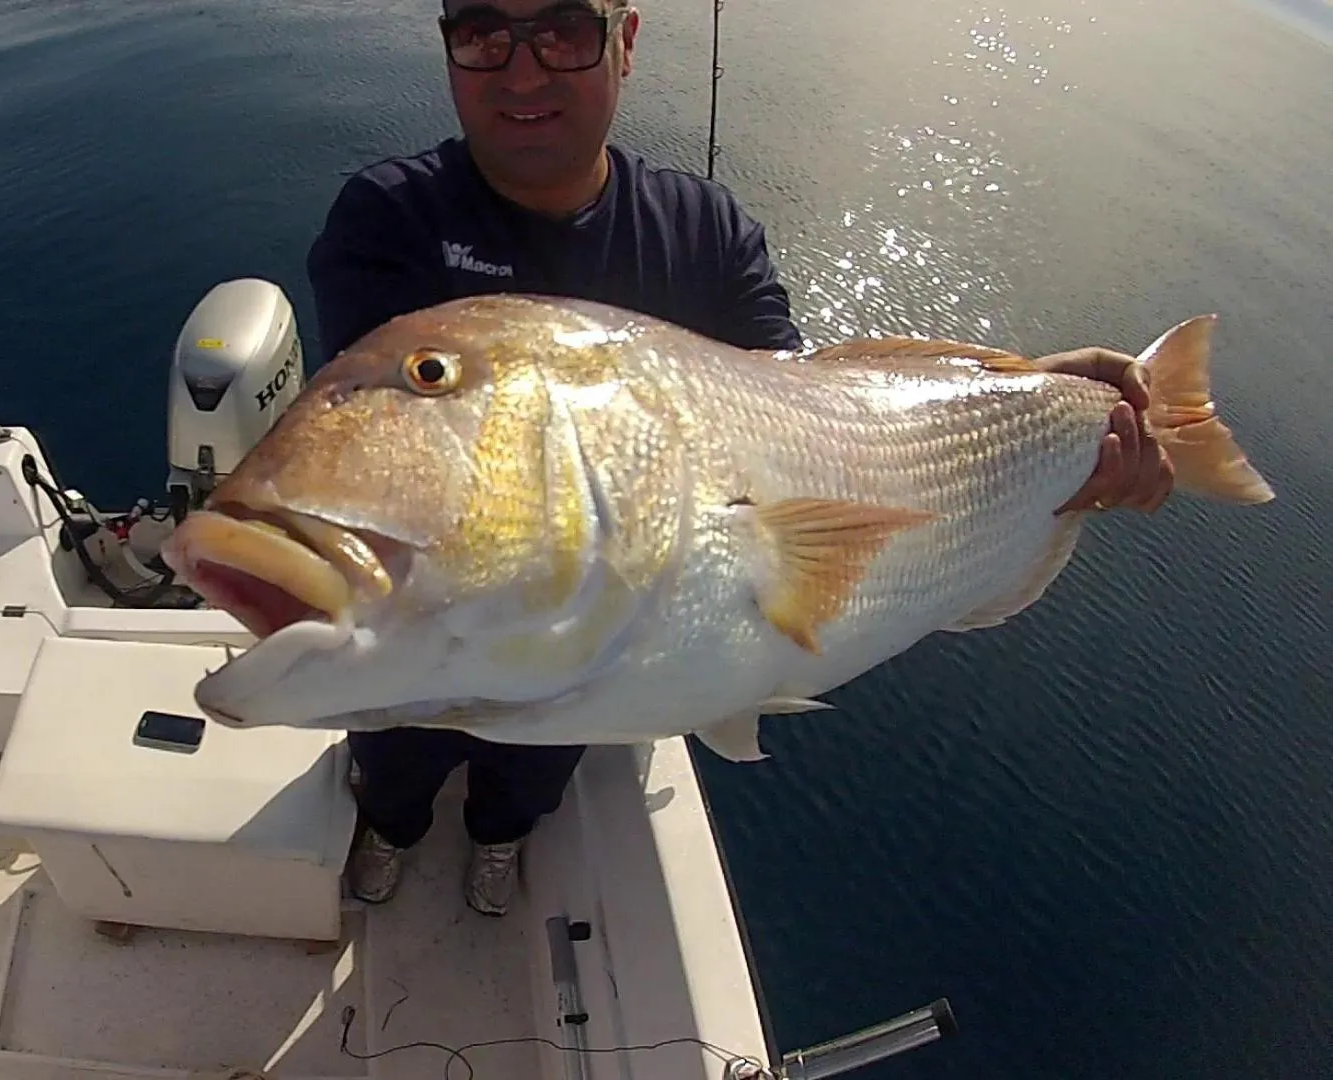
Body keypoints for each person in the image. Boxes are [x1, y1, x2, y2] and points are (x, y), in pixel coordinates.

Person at [304, 0, 1176, 916]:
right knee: (397, 752)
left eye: (562, 31)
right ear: (447, 49)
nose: (521, 75)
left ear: (625, 41)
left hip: (608, 623)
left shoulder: (704, 229)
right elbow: (381, 447)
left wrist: (1039, 400)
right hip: (437, 612)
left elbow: (809, 417)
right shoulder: (389, 217)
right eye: (482, 33)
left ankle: (500, 836)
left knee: (539, 762)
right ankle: (391, 828)